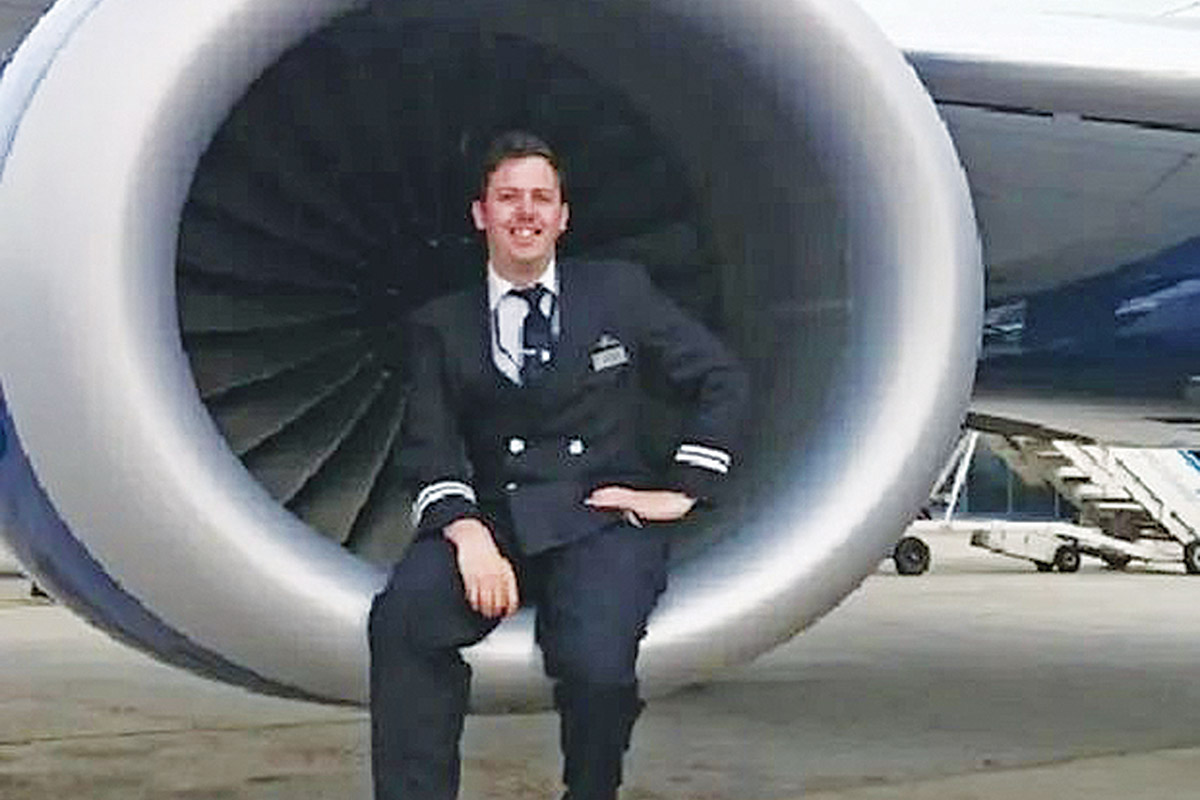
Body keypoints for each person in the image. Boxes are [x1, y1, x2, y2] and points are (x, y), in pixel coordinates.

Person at [369, 130, 748, 800]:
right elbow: (430, 443)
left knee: (597, 666)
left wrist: (686, 489)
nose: (526, 212)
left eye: (541, 198)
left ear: (563, 216)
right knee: (403, 620)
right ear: (481, 214)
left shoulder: (619, 293)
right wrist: (466, 534)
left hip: (598, 518)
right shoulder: (440, 325)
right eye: (508, 197)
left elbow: (721, 378)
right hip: (495, 522)